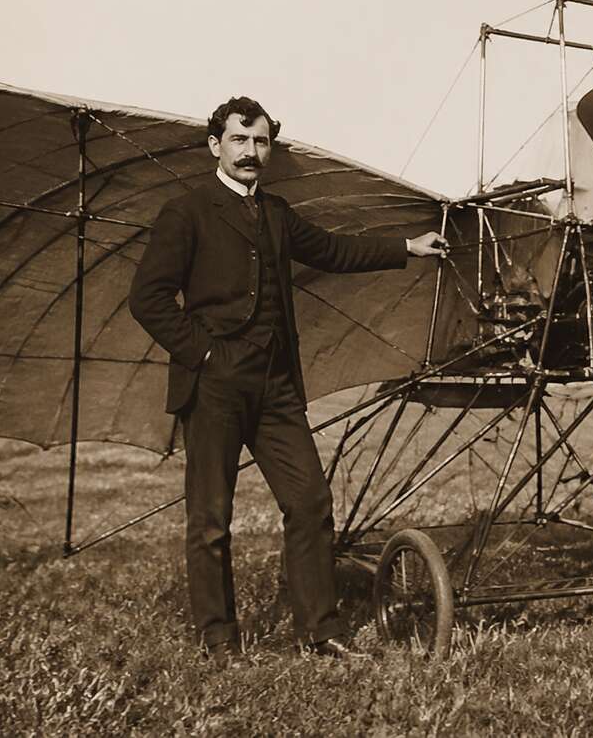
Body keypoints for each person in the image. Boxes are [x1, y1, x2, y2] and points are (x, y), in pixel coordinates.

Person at [129, 96, 446, 663]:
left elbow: (329, 249)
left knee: (310, 501)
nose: (251, 153)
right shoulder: (187, 211)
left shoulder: (275, 212)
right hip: (215, 384)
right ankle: (219, 639)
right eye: (239, 141)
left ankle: (319, 631)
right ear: (215, 146)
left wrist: (405, 247)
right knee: (211, 519)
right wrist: (204, 354)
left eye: (261, 142)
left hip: (275, 386)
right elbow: (147, 300)